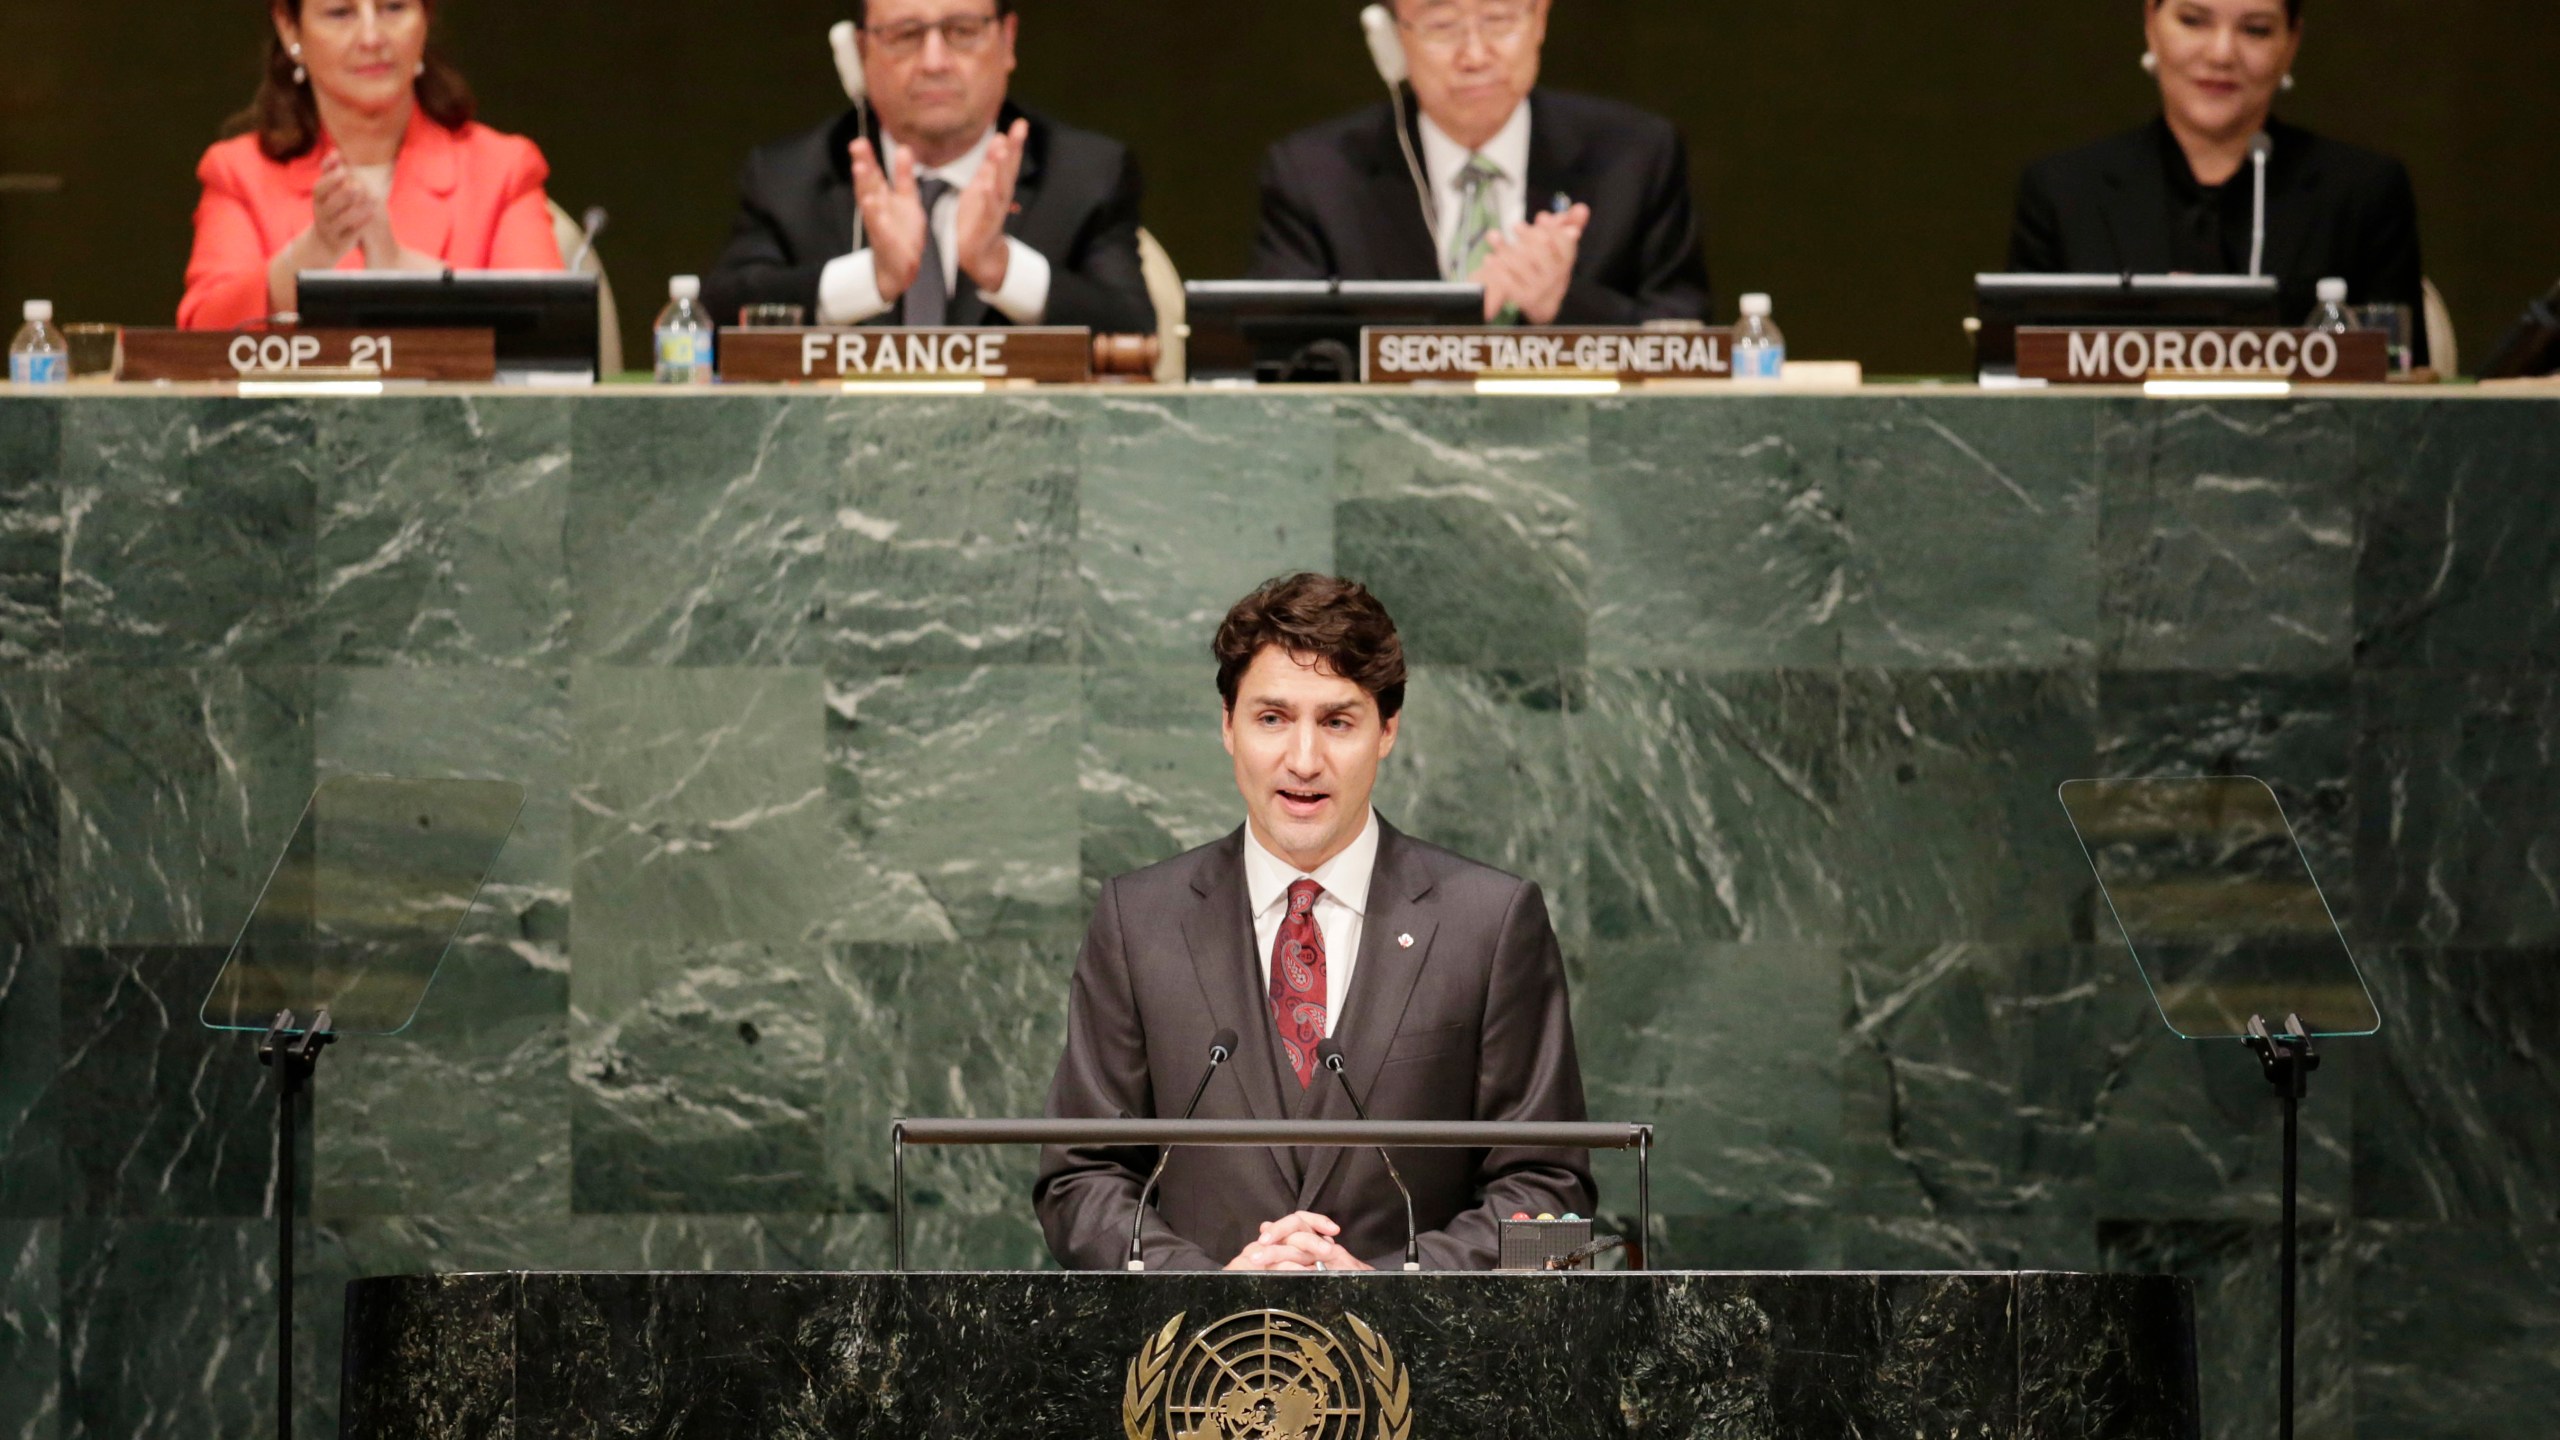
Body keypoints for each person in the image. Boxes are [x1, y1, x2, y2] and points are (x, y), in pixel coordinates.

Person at [1034, 575, 1592, 1272]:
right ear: (1227, 726)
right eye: (1272, 718)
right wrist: (1208, 1288)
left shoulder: (1492, 921)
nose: (1303, 760)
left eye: (1337, 721)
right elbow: (1077, 1181)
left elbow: (1554, 1202)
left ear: (1387, 730)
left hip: (1423, 1367)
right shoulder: (1138, 920)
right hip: (1199, 1371)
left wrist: (1395, 1292)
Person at [702, 0, 1155, 333]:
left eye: (962, 30)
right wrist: (870, 279)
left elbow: (1134, 329)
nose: (934, 63)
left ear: (1008, 41)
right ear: (861, 52)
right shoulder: (789, 179)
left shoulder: (1084, 177)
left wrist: (1002, 267)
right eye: (905, 35)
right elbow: (712, 321)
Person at [1249, 0, 1708, 326]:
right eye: (1442, 25)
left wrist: (1564, 304)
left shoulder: (1634, 156)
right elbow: (1286, 354)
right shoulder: (1316, 174)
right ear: (1391, 39)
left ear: (1540, 19)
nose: (1474, 56)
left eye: (1499, 19)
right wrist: (1451, 321)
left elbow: (1687, 337)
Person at [2008, 0, 2425, 356]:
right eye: (2193, 20)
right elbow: (2017, 385)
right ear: (2151, 23)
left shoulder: (2363, 191)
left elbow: (2404, 390)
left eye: (2256, 30)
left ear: (2291, 42)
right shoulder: (2063, 191)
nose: (2222, 53)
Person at [180, 0, 562, 331]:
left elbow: (550, 332)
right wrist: (314, 253)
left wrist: (400, 269)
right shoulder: (238, 173)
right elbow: (199, 339)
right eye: (340, 13)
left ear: (425, 18)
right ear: (289, 27)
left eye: (394, 8)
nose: (372, 38)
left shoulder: (503, 169)